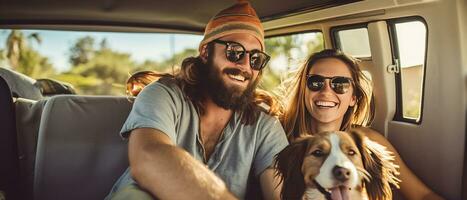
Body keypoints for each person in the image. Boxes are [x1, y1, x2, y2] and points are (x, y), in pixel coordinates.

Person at [106, 1, 288, 200]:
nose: (245, 66)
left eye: (256, 58)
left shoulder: (264, 126)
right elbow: (149, 156)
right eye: (234, 51)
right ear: (205, 52)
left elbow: (279, 192)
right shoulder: (163, 95)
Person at [280, 49, 445, 200]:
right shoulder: (280, 136)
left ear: (353, 98)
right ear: (304, 90)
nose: (326, 92)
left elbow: (422, 195)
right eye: (316, 82)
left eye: (340, 84)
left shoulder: (369, 141)